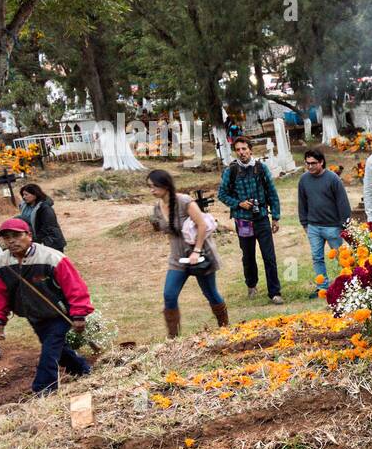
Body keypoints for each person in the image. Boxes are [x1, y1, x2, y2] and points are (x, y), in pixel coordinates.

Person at [0, 218, 93, 394]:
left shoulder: (52, 257)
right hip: (34, 316)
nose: (11, 241)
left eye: (16, 235)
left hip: (59, 314)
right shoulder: (0, 264)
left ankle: (44, 389)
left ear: (29, 235)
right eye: (7, 237)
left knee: (49, 352)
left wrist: (79, 314)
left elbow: (74, 286)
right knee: (58, 349)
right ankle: (82, 369)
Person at [149, 169, 227, 337]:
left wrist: (196, 251)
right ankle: (173, 339)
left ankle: (225, 328)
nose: (151, 190)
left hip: (200, 255)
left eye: (154, 186)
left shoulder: (184, 201)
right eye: (150, 186)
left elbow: (202, 225)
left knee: (210, 293)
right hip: (178, 258)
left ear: (165, 185)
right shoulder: (157, 208)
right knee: (169, 295)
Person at [218, 136, 283, 304]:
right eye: (238, 150)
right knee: (248, 256)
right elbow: (222, 194)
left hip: (261, 217)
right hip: (243, 220)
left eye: (244, 149)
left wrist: (275, 217)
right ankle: (251, 285)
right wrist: (239, 203)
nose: (241, 152)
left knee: (269, 256)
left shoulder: (261, 169)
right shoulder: (230, 171)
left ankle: (275, 293)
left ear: (250, 150)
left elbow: (272, 193)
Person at [298, 149, 351, 292]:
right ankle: (322, 287)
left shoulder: (332, 179)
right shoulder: (304, 180)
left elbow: (342, 203)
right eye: (307, 163)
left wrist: (344, 225)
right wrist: (304, 223)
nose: (310, 167)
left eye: (313, 163)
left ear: (321, 162)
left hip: (333, 227)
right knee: (317, 258)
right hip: (313, 227)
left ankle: (349, 284)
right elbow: (302, 203)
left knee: (342, 257)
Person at [17, 183, 66, 251]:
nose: (24, 197)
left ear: (35, 194)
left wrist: (35, 240)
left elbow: (48, 226)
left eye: (26, 194)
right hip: (36, 241)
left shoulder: (45, 208)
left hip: (51, 241)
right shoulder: (25, 207)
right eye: (23, 195)